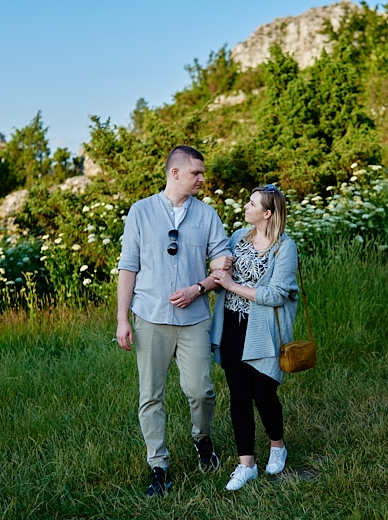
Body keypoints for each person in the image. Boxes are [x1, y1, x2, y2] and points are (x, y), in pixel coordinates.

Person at [116, 145, 233, 497]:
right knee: (150, 395)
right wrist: (122, 319)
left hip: (194, 319)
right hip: (149, 317)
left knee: (201, 390)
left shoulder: (207, 216)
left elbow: (222, 263)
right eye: (196, 173)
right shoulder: (140, 212)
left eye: (202, 173)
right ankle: (159, 466)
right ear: (175, 172)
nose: (202, 179)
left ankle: (202, 439)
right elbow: (128, 267)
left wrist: (199, 287)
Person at [209, 184, 299, 491]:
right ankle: (246, 464)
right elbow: (218, 266)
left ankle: (277, 445)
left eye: (251, 203)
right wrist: (216, 269)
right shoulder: (238, 238)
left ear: (268, 213)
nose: (245, 207)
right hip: (232, 326)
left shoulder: (284, 247)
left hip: (264, 330)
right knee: (239, 396)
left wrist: (232, 285)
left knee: (264, 393)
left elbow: (276, 294)